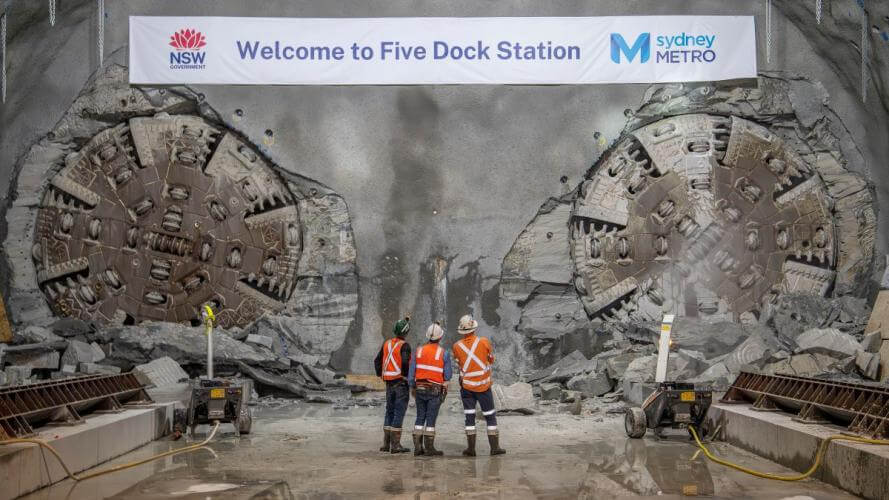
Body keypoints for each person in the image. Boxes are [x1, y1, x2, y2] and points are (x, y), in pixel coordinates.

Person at [452, 314, 505, 456]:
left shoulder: (456, 346)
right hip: (483, 386)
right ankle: (494, 448)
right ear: (474, 328)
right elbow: (491, 359)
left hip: (467, 388)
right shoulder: (484, 342)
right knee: (490, 416)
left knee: (469, 417)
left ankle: (471, 449)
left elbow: (459, 364)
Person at [408, 322, 452, 456]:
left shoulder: (419, 351)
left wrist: (413, 387)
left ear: (428, 336)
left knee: (420, 416)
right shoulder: (443, 353)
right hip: (434, 389)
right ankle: (429, 448)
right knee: (431, 418)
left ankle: (417, 447)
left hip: (419, 388)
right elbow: (447, 375)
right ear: (440, 337)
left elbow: (411, 374)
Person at [374, 316, 412, 453]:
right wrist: (407, 376)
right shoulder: (404, 346)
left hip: (389, 383)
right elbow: (405, 362)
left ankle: (386, 444)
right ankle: (396, 445)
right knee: (399, 412)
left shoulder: (387, 343)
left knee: (389, 411)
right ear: (406, 332)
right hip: (400, 383)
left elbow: (377, 360)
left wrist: (381, 374)